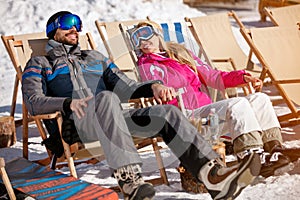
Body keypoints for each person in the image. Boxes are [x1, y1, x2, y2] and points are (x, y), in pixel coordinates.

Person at [22, 11, 261, 200]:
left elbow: (125, 87)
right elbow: (33, 102)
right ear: (54, 30)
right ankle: (130, 180)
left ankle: (212, 175)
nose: (75, 28)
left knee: (166, 112)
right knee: (105, 98)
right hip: (77, 125)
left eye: (77, 24)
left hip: (112, 118)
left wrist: (153, 87)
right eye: (67, 24)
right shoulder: (40, 63)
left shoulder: (95, 57)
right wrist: (68, 103)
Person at [131, 20, 295, 178]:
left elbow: (214, 77)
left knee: (260, 98)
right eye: (136, 38)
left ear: (158, 35)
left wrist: (243, 77)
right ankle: (251, 157)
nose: (143, 41)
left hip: (209, 114)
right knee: (238, 103)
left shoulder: (181, 54)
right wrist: (160, 87)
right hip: (185, 116)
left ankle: (275, 149)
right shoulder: (146, 64)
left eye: (146, 34)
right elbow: (152, 83)